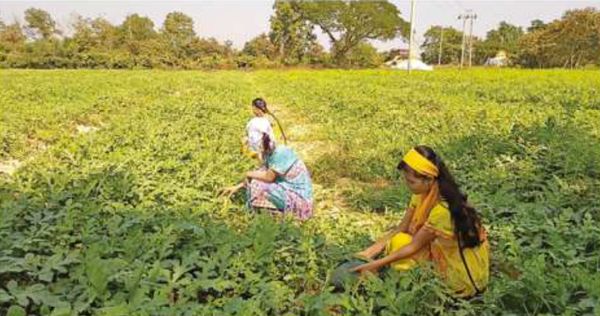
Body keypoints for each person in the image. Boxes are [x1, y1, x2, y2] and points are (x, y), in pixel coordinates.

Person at [350, 145, 489, 298]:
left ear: (429, 179)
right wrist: (369, 252)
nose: (407, 185)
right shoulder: (423, 194)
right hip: (442, 255)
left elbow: (413, 246)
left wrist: (375, 264)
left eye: (411, 181)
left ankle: (402, 291)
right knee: (400, 238)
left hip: (461, 281)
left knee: (400, 244)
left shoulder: (442, 210)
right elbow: (401, 227)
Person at [222, 132, 313, 220]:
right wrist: (237, 187)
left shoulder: (280, 154)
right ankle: (266, 212)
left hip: (299, 199)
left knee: (257, 185)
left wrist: (247, 173)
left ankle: (273, 214)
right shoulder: (272, 152)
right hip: (290, 189)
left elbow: (268, 177)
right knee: (256, 179)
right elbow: (261, 172)